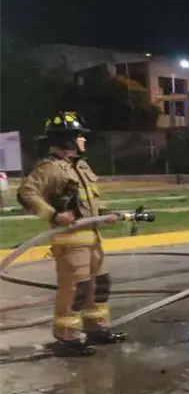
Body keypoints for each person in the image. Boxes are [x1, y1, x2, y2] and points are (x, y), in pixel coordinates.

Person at [16, 111, 126, 357]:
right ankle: (67, 338)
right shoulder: (50, 168)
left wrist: (105, 213)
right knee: (75, 290)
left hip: (93, 240)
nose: (83, 141)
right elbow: (26, 194)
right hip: (71, 242)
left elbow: (86, 203)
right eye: (79, 137)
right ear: (67, 140)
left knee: (98, 287)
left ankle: (97, 330)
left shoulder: (82, 167)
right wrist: (54, 215)